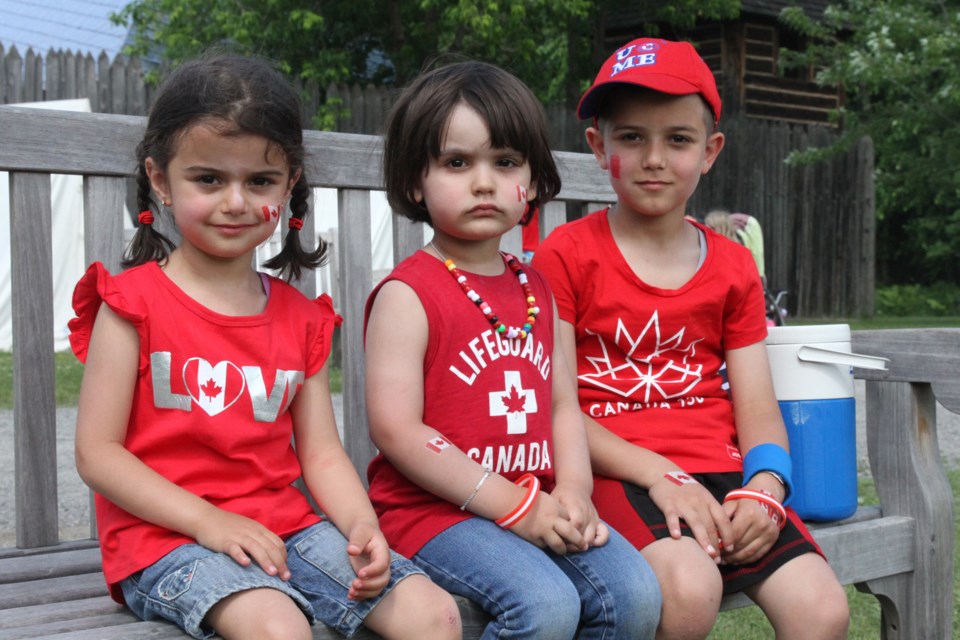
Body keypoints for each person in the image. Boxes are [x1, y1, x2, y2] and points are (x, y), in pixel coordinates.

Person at [69, 54, 461, 640]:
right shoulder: (132, 305)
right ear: (160, 180)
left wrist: (362, 525)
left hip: (287, 530)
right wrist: (207, 521)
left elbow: (322, 455)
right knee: (279, 626)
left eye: (260, 181)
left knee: (434, 613)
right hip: (167, 538)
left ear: (290, 183)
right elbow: (98, 453)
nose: (236, 202)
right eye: (209, 179)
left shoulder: (299, 319)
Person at [532, 38, 849, 639]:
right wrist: (657, 472)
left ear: (710, 151)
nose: (654, 157)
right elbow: (556, 405)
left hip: (723, 473)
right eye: (632, 137)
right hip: (618, 470)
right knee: (687, 587)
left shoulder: (732, 267)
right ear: (600, 147)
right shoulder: (565, 257)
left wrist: (767, 484)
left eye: (678, 139)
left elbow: (756, 404)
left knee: (822, 610)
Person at [363, 60, 662, 639]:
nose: (483, 182)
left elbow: (562, 407)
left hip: (535, 503)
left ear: (531, 179)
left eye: (505, 163)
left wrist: (573, 490)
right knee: (544, 604)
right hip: (432, 514)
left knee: (634, 592)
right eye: (457, 163)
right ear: (412, 182)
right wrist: (511, 505)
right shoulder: (409, 294)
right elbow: (397, 430)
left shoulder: (537, 290)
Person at [703, 209, 766, 284]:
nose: (706, 232)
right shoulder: (707, 248)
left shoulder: (735, 254)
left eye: (711, 228)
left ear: (722, 229)